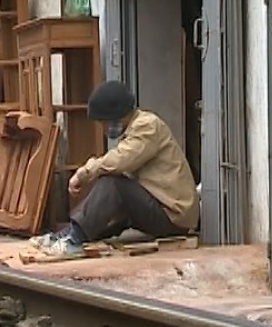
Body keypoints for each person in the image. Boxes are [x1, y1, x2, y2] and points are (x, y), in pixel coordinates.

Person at [33, 80, 199, 257]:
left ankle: (74, 240)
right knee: (116, 207)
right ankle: (69, 234)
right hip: (163, 210)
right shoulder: (133, 129)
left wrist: (85, 172)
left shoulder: (147, 126)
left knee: (113, 184)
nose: (104, 130)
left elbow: (120, 160)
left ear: (116, 116)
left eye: (104, 123)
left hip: (174, 216)